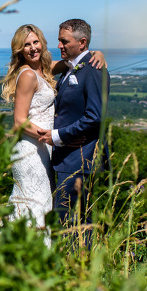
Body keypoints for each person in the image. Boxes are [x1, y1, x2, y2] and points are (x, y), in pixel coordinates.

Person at [2, 24, 105, 247]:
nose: (32, 48)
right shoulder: (28, 75)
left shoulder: (45, 69)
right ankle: (31, 251)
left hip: (45, 148)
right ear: (19, 50)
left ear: (42, 42)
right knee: (36, 201)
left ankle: (27, 249)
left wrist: (97, 54)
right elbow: (19, 121)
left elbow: (76, 61)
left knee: (42, 201)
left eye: (35, 42)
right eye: (26, 45)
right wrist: (50, 136)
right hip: (31, 149)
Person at [37, 18, 110, 248]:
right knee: (67, 221)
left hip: (81, 158)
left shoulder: (94, 69)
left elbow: (94, 117)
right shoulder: (71, 67)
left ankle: (78, 272)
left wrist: (57, 136)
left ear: (82, 42)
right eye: (59, 40)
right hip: (68, 159)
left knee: (75, 223)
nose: (59, 46)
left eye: (63, 41)